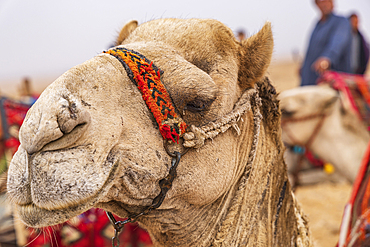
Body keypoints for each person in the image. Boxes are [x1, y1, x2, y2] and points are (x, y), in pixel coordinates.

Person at [300, 0, 352, 86]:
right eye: (322, 1)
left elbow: (338, 42)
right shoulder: (318, 25)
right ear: (316, 4)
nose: (325, 4)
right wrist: (304, 67)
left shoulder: (341, 22)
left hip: (333, 83)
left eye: (328, 1)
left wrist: (327, 58)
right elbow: (311, 51)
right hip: (311, 80)